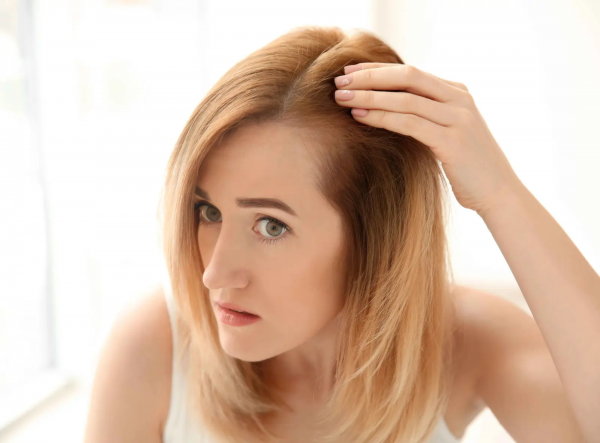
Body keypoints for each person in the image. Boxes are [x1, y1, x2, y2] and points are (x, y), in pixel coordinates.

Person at [84, 26, 595, 443]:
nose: (214, 274)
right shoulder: (154, 346)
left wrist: (501, 195)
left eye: (270, 225)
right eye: (208, 211)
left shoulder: (467, 342)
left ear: (375, 237)